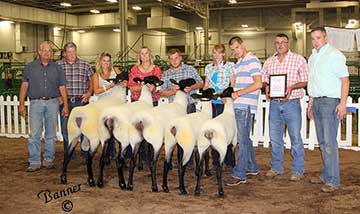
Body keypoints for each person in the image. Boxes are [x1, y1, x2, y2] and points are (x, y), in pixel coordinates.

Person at [307, 27, 349, 193]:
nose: (315, 41)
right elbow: (313, 81)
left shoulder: (335, 54)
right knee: (323, 143)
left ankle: (333, 180)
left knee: (329, 143)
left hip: (331, 102)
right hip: (317, 101)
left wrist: (343, 103)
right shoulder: (312, 57)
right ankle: (325, 175)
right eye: (313, 38)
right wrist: (310, 103)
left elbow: (345, 80)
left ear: (325, 38)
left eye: (318, 38)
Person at [262, 33, 308, 181]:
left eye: (283, 42)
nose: (280, 45)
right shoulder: (269, 62)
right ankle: (276, 167)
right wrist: (267, 87)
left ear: (288, 44)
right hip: (275, 104)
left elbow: (306, 80)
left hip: (292, 103)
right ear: (274, 44)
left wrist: (292, 86)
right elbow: (264, 80)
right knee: (275, 138)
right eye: (277, 42)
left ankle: (298, 170)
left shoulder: (298, 59)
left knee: (295, 137)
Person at [19, 41, 69, 172]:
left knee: (51, 133)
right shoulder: (29, 67)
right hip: (35, 103)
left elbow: (62, 87)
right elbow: (24, 86)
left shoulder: (57, 68)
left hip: (53, 103)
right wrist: (21, 104)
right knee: (34, 133)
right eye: (44, 50)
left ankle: (48, 159)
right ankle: (34, 161)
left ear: (52, 53)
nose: (47, 53)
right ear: (39, 52)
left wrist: (65, 105)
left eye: (49, 51)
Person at [224, 36, 262, 186]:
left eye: (237, 48)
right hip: (239, 104)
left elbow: (258, 83)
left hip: (245, 105)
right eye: (232, 50)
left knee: (242, 140)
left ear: (243, 45)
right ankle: (252, 167)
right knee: (245, 138)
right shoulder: (238, 63)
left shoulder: (252, 60)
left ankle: (239, 173)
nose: (235, 52)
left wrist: (238, 93)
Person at [57, 42, 93, 160]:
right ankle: (69, 152)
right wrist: (59, 96)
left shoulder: (85, 65)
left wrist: (89, 93)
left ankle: (85, 150)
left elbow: (91, 81)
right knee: (66, 128)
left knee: (85, 128)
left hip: (81, 101)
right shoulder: (58, 65)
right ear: (65, 54)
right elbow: (54, 82)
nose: (72, 54)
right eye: (69, 52)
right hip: (65, 102)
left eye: (74, 51)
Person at [92, 52, 127, 160]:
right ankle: (108, 152)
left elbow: (125, 80)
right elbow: (96, 91)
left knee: (119, 127)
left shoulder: (115, 70)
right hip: (104, 105)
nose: (106, 63)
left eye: (108, 61)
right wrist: (109, 86)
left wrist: (123, 83)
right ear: (100, 62)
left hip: (116, 104)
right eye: (104, 61)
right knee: (106, 129)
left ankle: (121, 154)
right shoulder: (96, 75)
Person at [159, 48, 203, 114]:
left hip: (189, 106)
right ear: (169, 60)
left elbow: (201, 83)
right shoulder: (166, 74)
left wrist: (192, 87)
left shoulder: (190, 69)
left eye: (176, 58)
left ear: (180, 58)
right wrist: (173, 91)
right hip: (173, 107)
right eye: (171, 59)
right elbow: (161, 92)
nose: (174, 61)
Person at [204, 44, 235, 118]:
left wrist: (226, 96)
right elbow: (206, 85)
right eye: (214, 53)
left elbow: (232, 84)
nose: (216, 55)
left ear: (223, 54)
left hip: (223, 101)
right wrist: (206, 94)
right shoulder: (208, 67)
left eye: (219, 53)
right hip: (210, 101)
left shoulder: (230, 66)